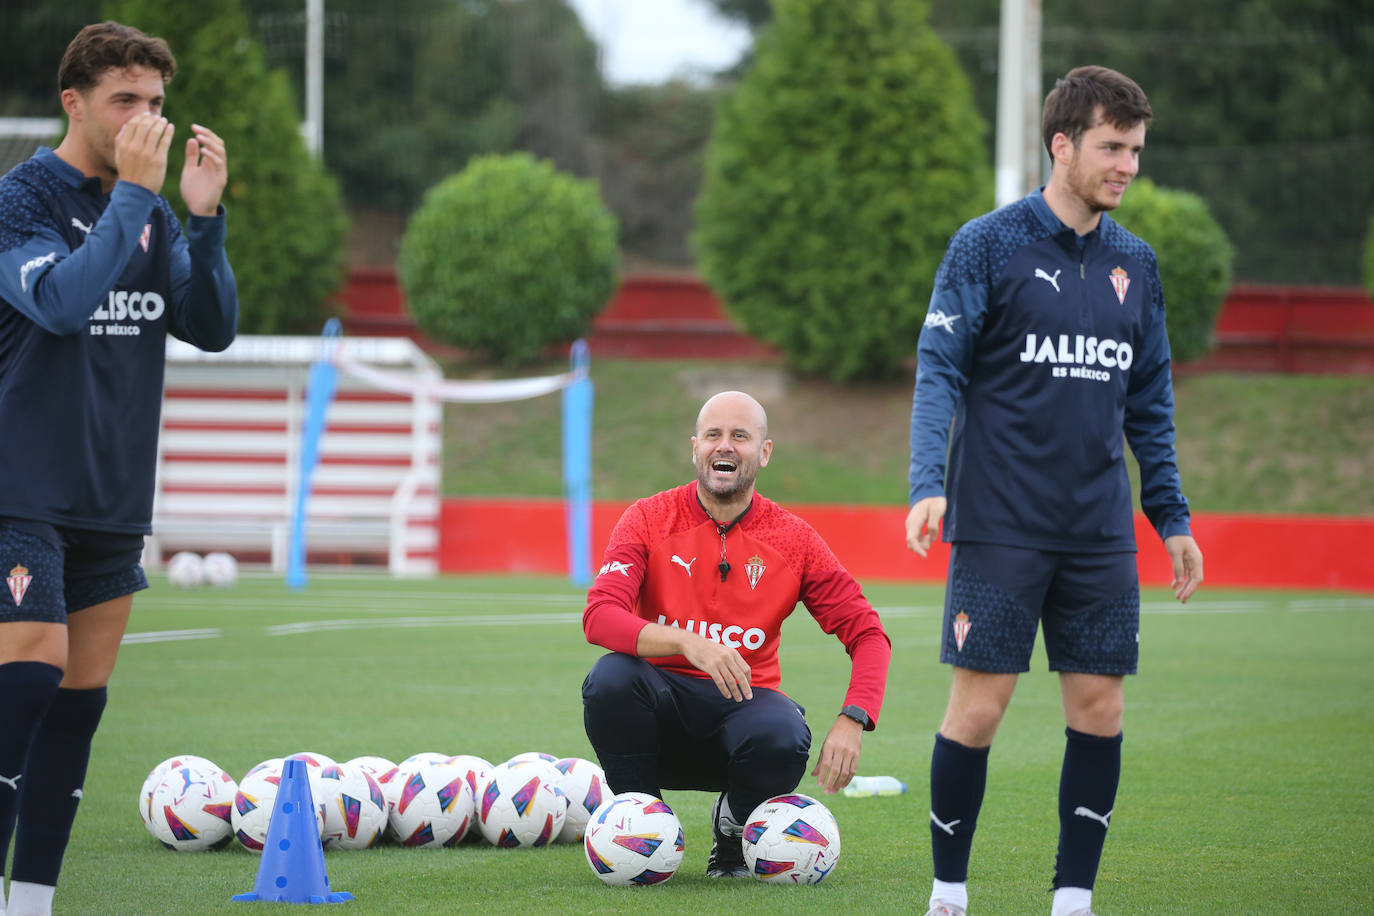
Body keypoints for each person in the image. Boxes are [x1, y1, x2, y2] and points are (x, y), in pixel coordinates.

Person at [905, 66, 1204, 916]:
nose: (1128, 166)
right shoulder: (986, 245)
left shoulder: (1137, 265)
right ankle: (948, 895)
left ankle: (1073, 900)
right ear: (1062, 144)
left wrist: (1170, 517)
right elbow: (939, 371)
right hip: (1000, 524)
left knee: (1101, 708)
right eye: (1113, 147)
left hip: (1099, 531)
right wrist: (928, 483)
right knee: (979, 710)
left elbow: (1151, 403)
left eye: (1137, 150)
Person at [0, 21, 237, 916]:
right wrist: (139, 198)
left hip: (112, 494)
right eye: (124, 102)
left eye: (157, 104)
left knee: (76, 705)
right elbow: (60, 305)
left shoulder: (155, 210)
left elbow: (210, 326)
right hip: (19, 487)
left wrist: (205, 221)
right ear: (75, 104)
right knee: (23, 680)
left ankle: (32, 903)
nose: (146, 120)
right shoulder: (17, 201)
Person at [581, 390, 892, 877]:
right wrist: (688, 642)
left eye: (740, 437)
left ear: (763, 453)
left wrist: (856, 717)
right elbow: (599, 616)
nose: (724, 446)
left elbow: (868, 633)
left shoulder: (794, 538)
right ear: (695, 447)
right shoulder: (648, 517)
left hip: (741, 717)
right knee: (612, 680)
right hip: (657, 712)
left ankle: (732, 830)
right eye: (713, 435)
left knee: (785, 732)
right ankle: (640, 824)